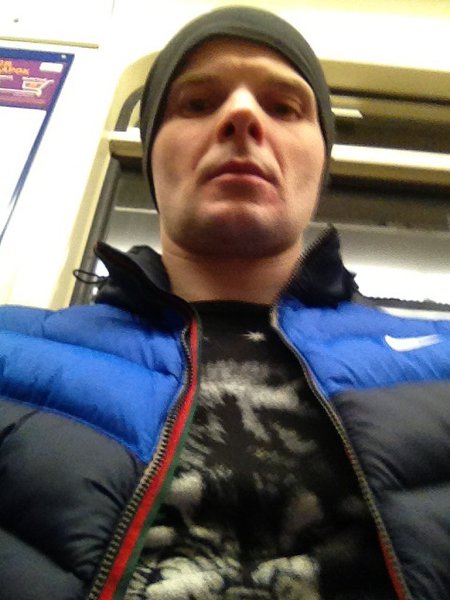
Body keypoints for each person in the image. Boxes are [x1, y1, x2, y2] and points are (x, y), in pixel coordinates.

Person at [0, 6, 449, 600]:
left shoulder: (441, 367)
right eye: (196, 103)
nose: (242, 114)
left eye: (284, 107)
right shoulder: (10, 355)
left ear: (321, 162)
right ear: (152, 157)